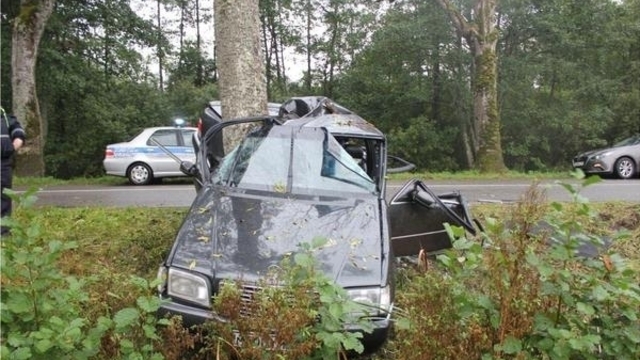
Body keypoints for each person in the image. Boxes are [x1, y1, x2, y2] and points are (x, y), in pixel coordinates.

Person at [1, 106, 26, 236]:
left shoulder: (5, 117)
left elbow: (18, 131)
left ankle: (3, 233)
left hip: (3, 162)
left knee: (4, 197)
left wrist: (16, 143)